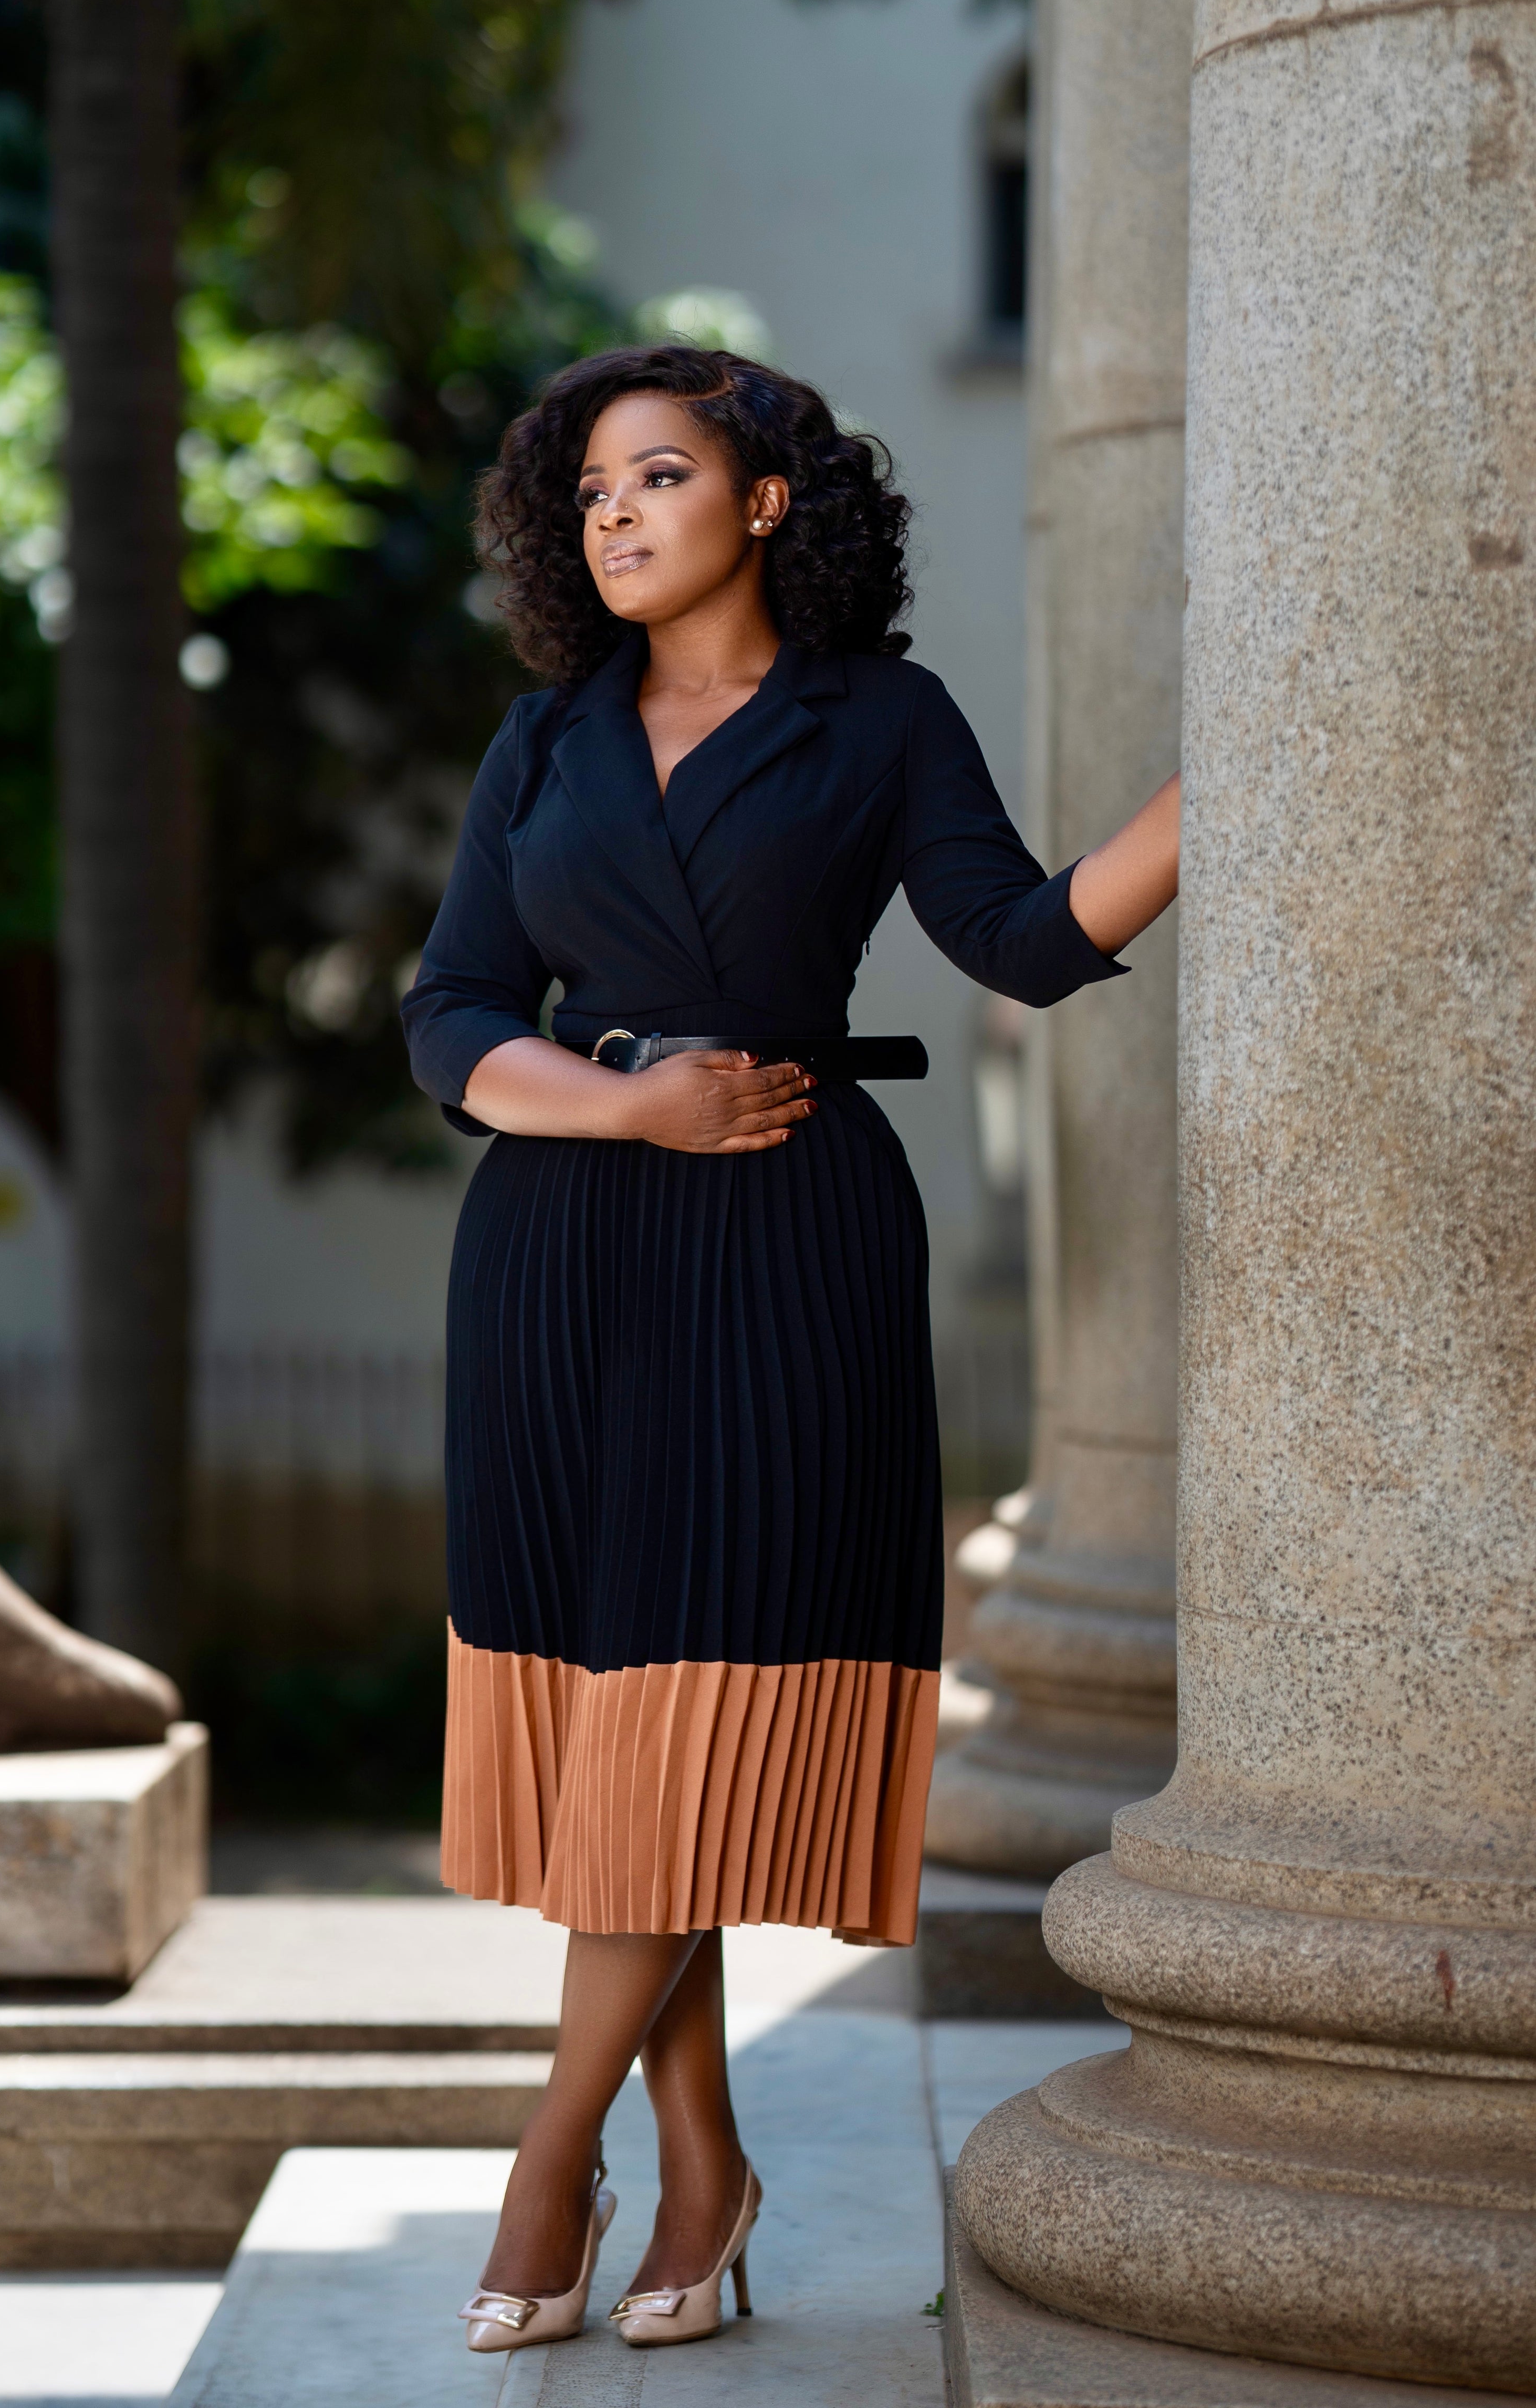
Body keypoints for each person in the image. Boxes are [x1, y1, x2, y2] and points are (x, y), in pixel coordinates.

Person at [400, 345, 1179, 2354]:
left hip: (786, 1242)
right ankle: (708, 2170)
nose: (615, 515)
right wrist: (622, 1106)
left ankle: (552, 2156)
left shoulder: (878, 717)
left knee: (699, 1697)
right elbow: (454, 1011)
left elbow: (1019, 941)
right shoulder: (544, 738)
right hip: (562, 1247)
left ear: (764, 501)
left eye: (658, 477)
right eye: (589, 492)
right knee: (618, 1723)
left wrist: (1226, 788)